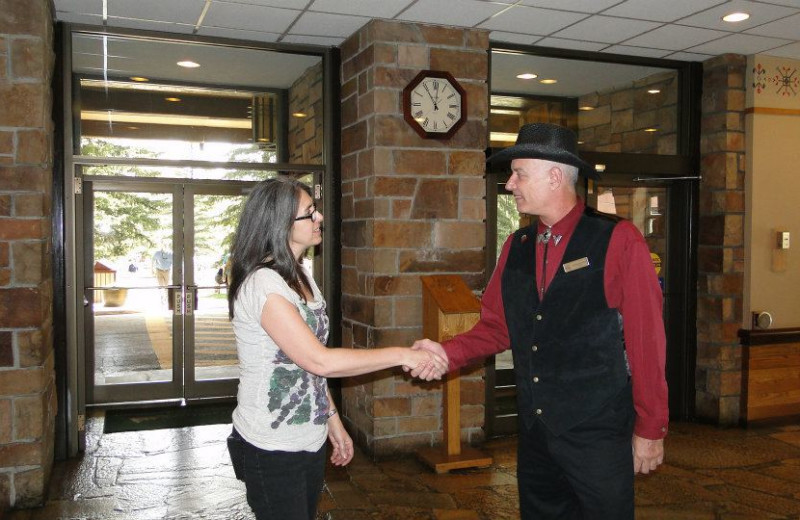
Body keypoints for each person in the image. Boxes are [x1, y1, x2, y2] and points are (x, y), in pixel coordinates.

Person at [412, 123, 668, 519]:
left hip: (596, 430)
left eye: (519, 174)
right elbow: (497, 327)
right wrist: (445, 353)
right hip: (536, 434)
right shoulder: (517, 246)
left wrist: (650, 428)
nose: (510, 184)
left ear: (554, 175)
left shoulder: (619, 240)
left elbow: (646, 340)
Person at [225, 177, 446, 520]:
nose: (320, 218)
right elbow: (320, 360)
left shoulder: (301, 274)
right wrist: (403, 354)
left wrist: (332, 421)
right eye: (309, 213)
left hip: (307, 437)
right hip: (270, 445)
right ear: (279, 222)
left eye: (315, 210)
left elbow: (309, 369)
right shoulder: (263, 284)